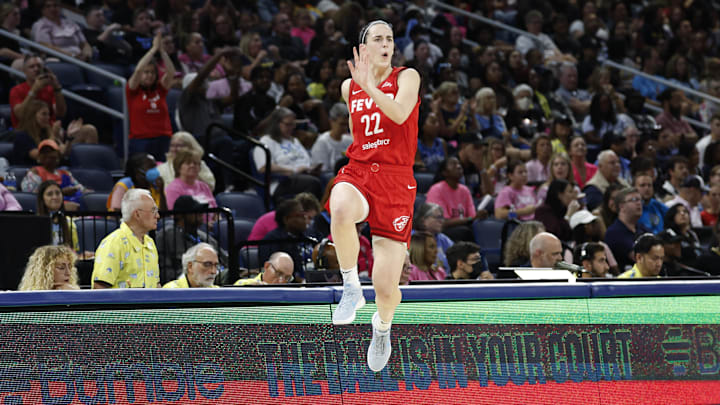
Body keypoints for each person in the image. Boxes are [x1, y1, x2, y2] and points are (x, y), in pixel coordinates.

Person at [328, 20, 421, 372]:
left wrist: (370, 86)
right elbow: (357, 135)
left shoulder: (407, 77)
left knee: (386, 286)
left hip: (396, 180)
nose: (386, 43)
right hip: (361, 169)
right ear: (363, 49)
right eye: (378, 38)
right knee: (339, 207)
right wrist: (362, 85)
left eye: (390, 38)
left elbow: (398, 114)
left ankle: (382, 328)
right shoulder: (349, 87)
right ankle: (351, 286)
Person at [252, 107, 323, 203]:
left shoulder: (294, 140)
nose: (292, 127)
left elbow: (306, 160)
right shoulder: (266, 141)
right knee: (313, 183)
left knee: (329, 179)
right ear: (276, 124)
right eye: (288, 124)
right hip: (282, 181)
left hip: (304, 175)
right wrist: (293, 170)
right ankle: (311, 214)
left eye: (293, 124)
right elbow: (263, 167)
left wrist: (311, 168)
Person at [92, 189, 160, 289]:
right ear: (137, 214)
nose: (157, 216)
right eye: (153, 210)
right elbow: (99, 288)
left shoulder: (150, 243)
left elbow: (156, 284)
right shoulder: (114, 243)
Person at [155, 195, 225, 284]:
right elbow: (165, 272)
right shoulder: (166, 236)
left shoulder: (204, 237)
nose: (200, 214)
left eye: (200, 211)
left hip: (215, 280)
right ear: (180, 215)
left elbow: (226, 260)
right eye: (195, 211)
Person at [126, 32, 175, 160]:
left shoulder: (160, 89)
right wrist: (153, 50)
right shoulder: (132, 90)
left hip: (163, 139)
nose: (149, 75)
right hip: (141, 141)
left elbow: (171, 72)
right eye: (146, 72)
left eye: (152, 72)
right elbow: (138, 70)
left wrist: (162, 51)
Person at [426, 157, 487, 241]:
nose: (458, 166)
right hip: (442, 230)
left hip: (464, 228)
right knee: (464, 232)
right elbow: (442, 222)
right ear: (444, 172)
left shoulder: (465, 190)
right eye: (453, 164)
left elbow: (472, 216)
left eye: (459, 164)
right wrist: (470, 219)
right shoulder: (436, 190)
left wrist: (478, 216)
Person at [20, 139, 88, 207]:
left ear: (58, 155)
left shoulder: (65, 173)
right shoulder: (35, 172)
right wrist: (61, 192)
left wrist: (85, 191)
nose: (48, 155)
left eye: (51, 151)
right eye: (44, 152)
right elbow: (31, 195)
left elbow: (80, 188)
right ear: (39, 157)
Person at [259, 199, 311, 280]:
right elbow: (271, 270)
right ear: (286, 219)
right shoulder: (272, 239)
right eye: (299, 215)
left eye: (304, 215)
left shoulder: (308, 237)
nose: (305, 218)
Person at [9, 55, 65, 129]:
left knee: (85, 130)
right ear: (24, 71)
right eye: (32, 67)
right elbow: (20, 115)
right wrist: (34, 90)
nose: (36, 69)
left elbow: (61, 113)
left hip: (49, 130)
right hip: (25, 132)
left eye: (39, 66)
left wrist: (56, 87)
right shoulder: (16, 90)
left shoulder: (49, 89)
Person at [605, 187, 648, 271]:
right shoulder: (614, 233)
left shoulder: (642, 228)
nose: (639, 203)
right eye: (634, 200)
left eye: (640, 200)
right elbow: (639, 258)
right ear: (621, 206)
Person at [36, 180, 79, 251]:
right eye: (50, 194)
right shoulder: (36, 223)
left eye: (58, 193)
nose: (55, 197)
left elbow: (73, 252)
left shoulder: (70, 223)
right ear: (42, 199)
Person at [310, 103, 352, 172]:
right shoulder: (322, 142)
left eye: (347, 124)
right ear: (331, 121)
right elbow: (322, 170)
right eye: (342, 124)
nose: (345, 128)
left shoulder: (350, 140)